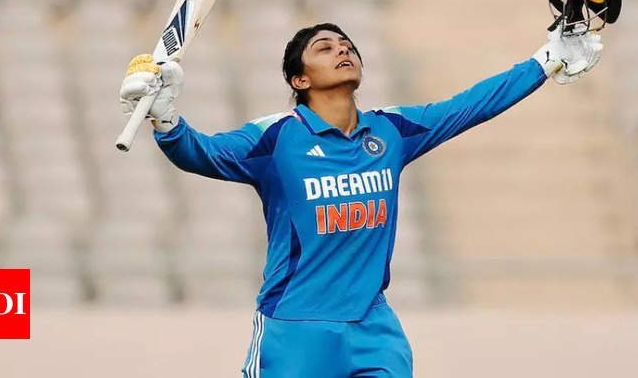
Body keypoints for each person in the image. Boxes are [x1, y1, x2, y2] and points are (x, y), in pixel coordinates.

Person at [118, 25, 602, 377]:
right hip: (296, 328)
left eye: (347, 44)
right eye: (324, 47)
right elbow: (201, 153)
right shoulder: (278, 138)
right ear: (299, 80)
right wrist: (166, 118)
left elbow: (471, 105)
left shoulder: (390, 131)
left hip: (373, 328)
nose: (342, 49)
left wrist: (545, 60)